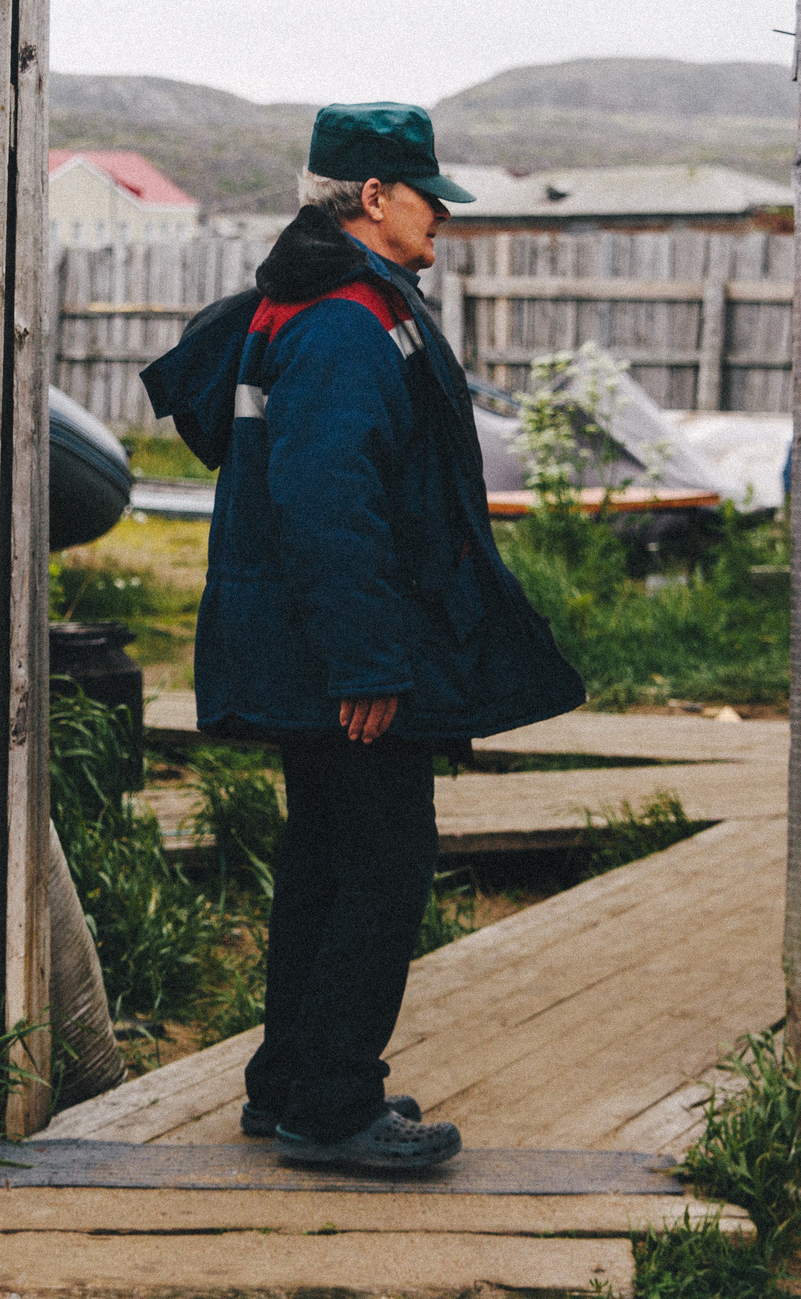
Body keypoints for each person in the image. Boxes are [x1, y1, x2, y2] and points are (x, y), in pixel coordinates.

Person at [141, 102, 586, 1172]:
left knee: (328, 860)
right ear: (374, 198)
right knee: (383, 865)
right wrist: (370, 664)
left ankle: (290, 1079)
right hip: (339, 660)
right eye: (429, 195)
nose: (443, 217)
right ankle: (333, 1104)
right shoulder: (342, 319)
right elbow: (330, 505)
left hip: (307, 650)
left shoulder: (298, 303)